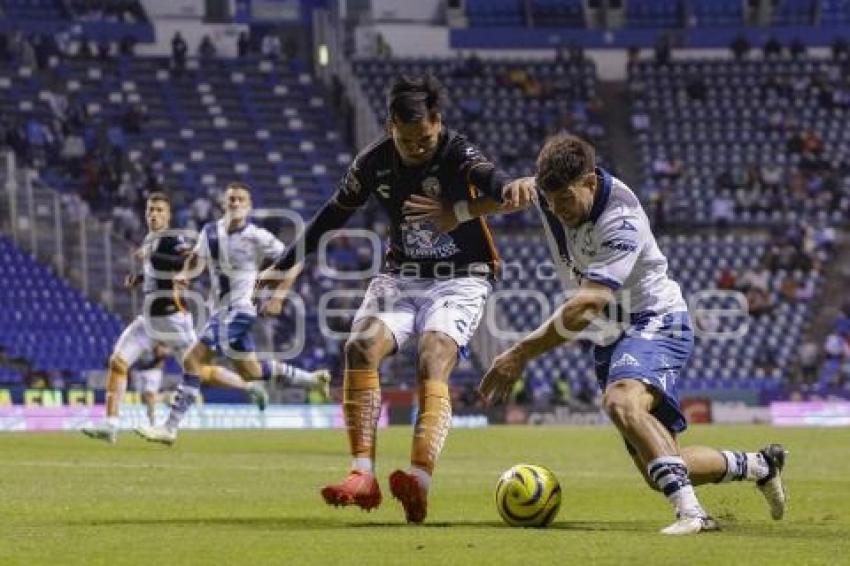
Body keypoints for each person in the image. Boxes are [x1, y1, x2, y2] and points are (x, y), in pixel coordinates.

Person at [477, 134, 788, 535]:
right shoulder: (553, 190)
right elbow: (512, 196)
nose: (558, 210)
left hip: (656, 319)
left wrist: (519, 352)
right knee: (658, 464)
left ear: (590, 182)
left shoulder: (621, 219)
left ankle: (693, 514)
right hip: (613, 338)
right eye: (551, 201)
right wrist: (458, 213)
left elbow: (586, 306)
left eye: (566, 200)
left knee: (620, 400)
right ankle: (760, 465)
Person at [255, 75, 532, 523]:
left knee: (433, 354)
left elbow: (493, 179)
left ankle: (418, 481)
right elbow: (332, 214)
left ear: (437, 124)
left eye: (424, 140)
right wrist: (286, 263)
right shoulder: (373, 163)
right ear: (390, 129)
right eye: (406, 142)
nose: (417, 150)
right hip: (401, 276)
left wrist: (510, 188)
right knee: (359, 347)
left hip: (461, 278)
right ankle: (362, 475)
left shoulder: (457, 151)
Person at [136, 182, 330, 445]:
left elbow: (295, 261)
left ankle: (169, 427)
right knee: (250, 371)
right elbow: (196, 258)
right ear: (223, 204)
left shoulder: (258, 236)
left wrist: (278, 297)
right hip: (219, 310)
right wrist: (185, 273)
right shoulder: (210, 232)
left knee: (193, 360)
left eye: (241, 199)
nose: (236, 203)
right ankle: (313, 380)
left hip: (239, 310)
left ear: (249, 206)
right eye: (232, 199)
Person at [81, 193, 197, 443]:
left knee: (201, 373)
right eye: (150, 210)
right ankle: (111, 424)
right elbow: (159, 274)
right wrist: (139, 279)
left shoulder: (170, 239)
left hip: (174, 321)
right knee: (118, 361)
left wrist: (168, 264)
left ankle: (249, 386)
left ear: (168, 216)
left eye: (159, 210)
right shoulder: (150, 239)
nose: (153, 214)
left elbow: (187, 257)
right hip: (150, 320)